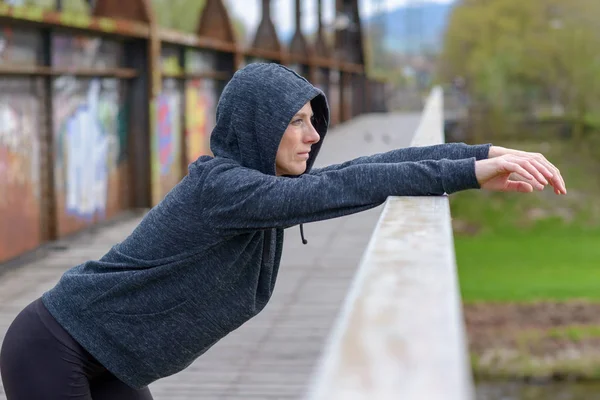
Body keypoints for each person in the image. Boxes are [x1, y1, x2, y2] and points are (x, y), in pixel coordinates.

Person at [0, 63, 566, 399]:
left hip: (110, 358)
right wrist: (468, 173)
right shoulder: (223, 189)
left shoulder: (255, 187)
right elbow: (341, 189)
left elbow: (362, 168)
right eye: (295, 122)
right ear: (257, 125)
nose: (314, 136)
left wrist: (486, 153)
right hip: (56, 346)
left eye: (313, 121)